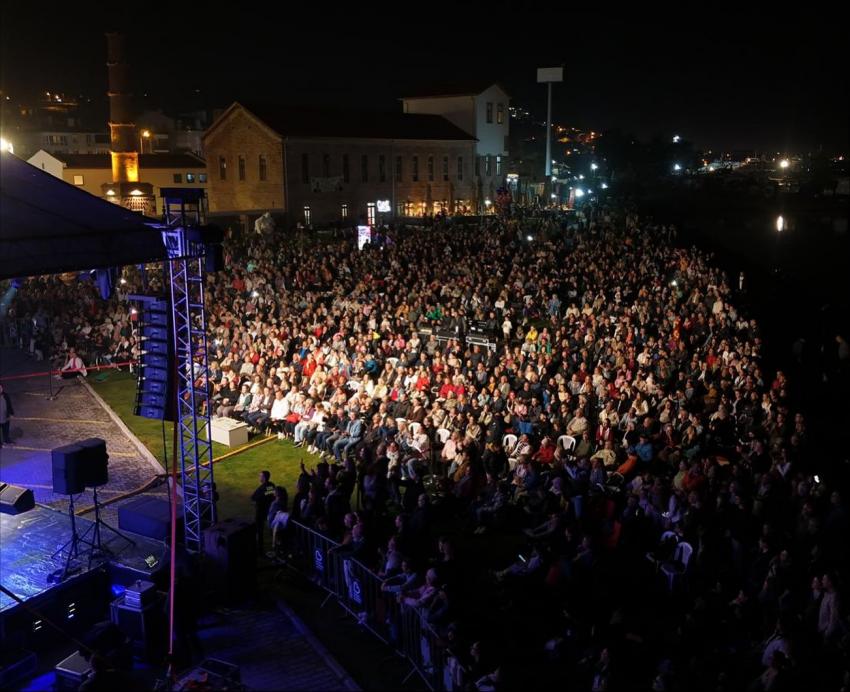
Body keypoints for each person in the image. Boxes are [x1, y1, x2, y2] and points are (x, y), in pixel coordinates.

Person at [251, 470, 276, 556]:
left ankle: (260, 549)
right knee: (270, 528)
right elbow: (271, 495)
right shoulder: (271, 485)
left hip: (261, 511)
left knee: (259, 530)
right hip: (269, 510)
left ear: (264, 478)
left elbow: (254, 498)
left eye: (260, 476)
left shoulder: (261, 489)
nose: (259, 477)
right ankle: (274, 544)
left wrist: (258, 501)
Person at [0, 383, 14, 447]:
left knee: (6, 429)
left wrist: (11, 413)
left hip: (5, 416)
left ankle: (6, 439)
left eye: (0, 388)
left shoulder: (5, 395)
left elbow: (9, 405)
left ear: (2, 388)